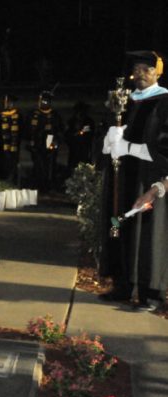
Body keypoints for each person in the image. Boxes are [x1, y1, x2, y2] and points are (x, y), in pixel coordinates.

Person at [99, 50, 168, 310]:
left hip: (148, 181)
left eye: (147, 69)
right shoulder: (124, 101)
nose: (140, 74)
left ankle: (151, 293)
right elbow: (107, 137)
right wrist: (109, 142)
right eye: (137, 69)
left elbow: (164, 145)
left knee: (148, 234)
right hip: (121, 178)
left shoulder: (164, 102)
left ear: (158, 72)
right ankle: (123, 285)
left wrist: (128, 148)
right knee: (120, 227)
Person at [26, 90, 63, 190]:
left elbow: (59, 130)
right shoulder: (33, 114)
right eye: (40, 100)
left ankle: (48, 184)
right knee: (38, 164)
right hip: (37, 143)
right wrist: (30, 141)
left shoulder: (54, 115)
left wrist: (56, 141)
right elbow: (27, 130)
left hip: (49, 141)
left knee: (49, 164)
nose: (41, 103)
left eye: (44, 101)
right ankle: (38, 184)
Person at [0, 94, 22, 182]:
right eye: (6, 103)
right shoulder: (0, 116)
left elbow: (21, 129)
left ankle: (13, 178)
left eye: (10, 103)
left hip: (14, 144)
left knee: (13, 162)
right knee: (3, 161)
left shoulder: (18, 115)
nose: (8, 104)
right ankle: (3, 177)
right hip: (3, 145)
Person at [66, 101, 95, 171]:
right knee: (73, 164)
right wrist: (72, 137)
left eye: (82, 111)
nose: (80, 113)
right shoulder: (71, 121)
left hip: (84, 147)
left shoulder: (89, 121)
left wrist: (81, 133)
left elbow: (89, 132)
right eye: (78, 111)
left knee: (85, 164)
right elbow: (67, 133)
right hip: (74, 147)